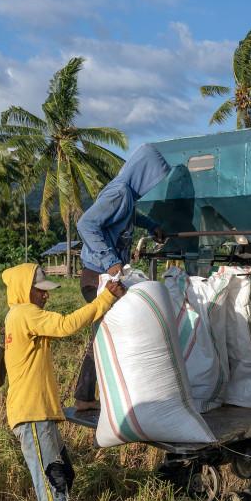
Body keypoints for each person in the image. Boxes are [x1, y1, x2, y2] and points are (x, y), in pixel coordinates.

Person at [2, 263, 124, 501]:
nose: (46, 297)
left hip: (40, 414)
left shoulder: (18, 316)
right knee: (53, 482)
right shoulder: (23, 313)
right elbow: (65, 326)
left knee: (65, 474)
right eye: (40, 291)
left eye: (46, 292)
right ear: (24, 290)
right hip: (32, 416)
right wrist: (105, 299)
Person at [72, 144, 170, 411]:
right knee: (104, 334)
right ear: (143, 172)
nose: (152, 185)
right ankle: (92, 397)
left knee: (106, 333)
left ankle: (92, 396)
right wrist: (111, 261)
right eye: (152, 178)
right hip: (97, 277)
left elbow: (129, 216)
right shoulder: (119, 192)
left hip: (104, 275)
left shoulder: (127, 195)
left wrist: (152, 226)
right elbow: (86, 224)